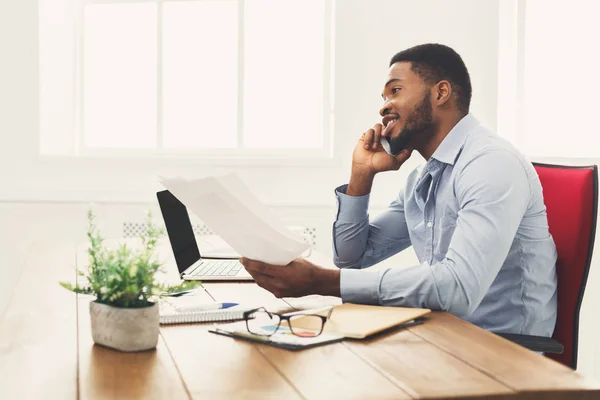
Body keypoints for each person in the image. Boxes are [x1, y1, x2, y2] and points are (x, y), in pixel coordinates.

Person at [241, 43, 557, 336]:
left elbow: (457, 289)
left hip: (502, 350)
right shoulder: (421, 178)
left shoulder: (489, 164)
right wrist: (361, 175)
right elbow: (352, 259)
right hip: (443, 332)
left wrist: (319, 281)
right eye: (383, 98)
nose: (384, 108)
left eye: (395, 91)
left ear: (441, 93)